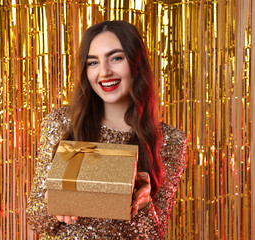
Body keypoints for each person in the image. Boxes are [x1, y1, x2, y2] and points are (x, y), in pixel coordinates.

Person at [26, 20, 187, 239]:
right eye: (93, 62)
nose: (104, 71)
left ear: (136, 63)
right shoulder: (61, 123)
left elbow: (154, 234)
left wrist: (142, 204)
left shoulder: (169, 139)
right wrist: (53, 205)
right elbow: (35, 219)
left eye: (116, 58)